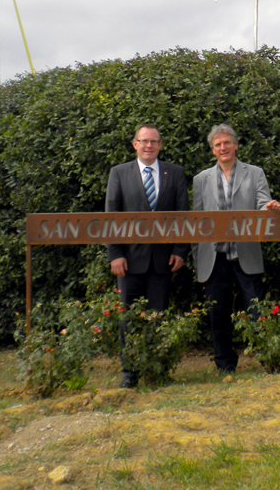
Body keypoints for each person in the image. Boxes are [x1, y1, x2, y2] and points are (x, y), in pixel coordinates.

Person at [192, 124, 280, 372]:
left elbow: (263, 203)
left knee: (256, 310)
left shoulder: (255, 173)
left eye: (227, 143)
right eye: (218, 145)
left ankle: (268, 359)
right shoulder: (201, 179)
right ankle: (224, 365)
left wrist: (269, 208)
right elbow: (197, 222)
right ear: (213, 150)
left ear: (236, 145)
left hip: (246, 253)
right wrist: (197, 258)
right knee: (218, 314)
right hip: (214, 256)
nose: (223, 148)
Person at [105, 124, 189, 387]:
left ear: (160, 145)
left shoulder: (174, 173)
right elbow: (112, 217)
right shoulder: (119, 173)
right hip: (128, 261)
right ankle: (129, 372)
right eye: (144, 141)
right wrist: (114, 254)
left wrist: (179, 250)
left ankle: (159, 369)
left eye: (154, 142)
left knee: (159, 317)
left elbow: (182, 216)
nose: (149, 146)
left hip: (163, 260)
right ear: (135, 144)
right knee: (127, 319)